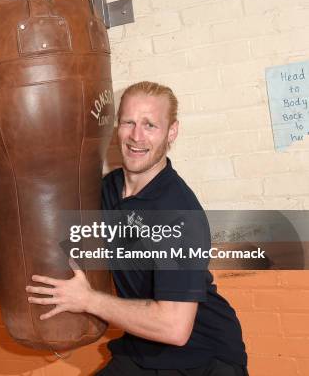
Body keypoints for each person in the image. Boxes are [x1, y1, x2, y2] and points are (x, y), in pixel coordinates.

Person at [26, 81, 248, 375]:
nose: (136, 136)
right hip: (142, 349)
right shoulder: (108, 189)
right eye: (128, 122)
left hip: (202, 358)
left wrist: (87, 300)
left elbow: (174, 328)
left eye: (150, 125)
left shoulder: (177, 213)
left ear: (172, 132)